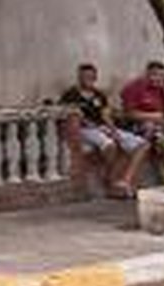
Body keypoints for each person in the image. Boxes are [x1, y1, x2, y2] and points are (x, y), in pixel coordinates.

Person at [59, 62, 138, 198]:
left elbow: (105, 115)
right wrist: (94, 127)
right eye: (84, 77)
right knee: (109, 145)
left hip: (100, 128)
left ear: (95, 77)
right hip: (84, 129)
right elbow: (71, 116)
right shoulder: (71, 95)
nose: (87, 79)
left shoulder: (99, 95)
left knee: (126, 144)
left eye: (91, 77)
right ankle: (112, 180)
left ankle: (117, 179)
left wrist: (113, 130)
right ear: (79, 77)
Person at [111, 60, 164, 192]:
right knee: (158, 137)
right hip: (137, 124)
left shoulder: (162, 89)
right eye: (154, 75)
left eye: (161, 76)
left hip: (160, 124)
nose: (157, 79)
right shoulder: (134, 87)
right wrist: (153, 117)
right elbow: (128, 114)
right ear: (147, 73)